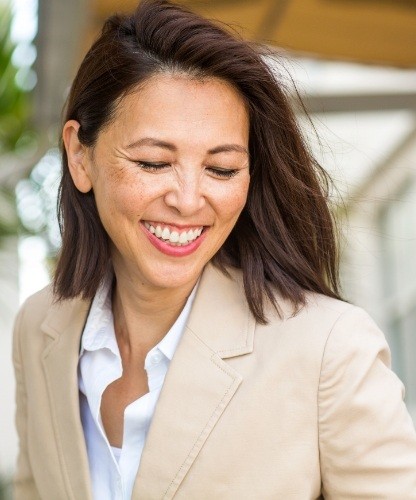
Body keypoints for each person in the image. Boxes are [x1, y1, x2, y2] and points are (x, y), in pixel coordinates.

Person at [12, 0, 416, 498]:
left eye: (221, 169)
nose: (187, 201)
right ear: (79, 155)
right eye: (154, 162)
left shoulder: (330, 350)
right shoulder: (38, 328)